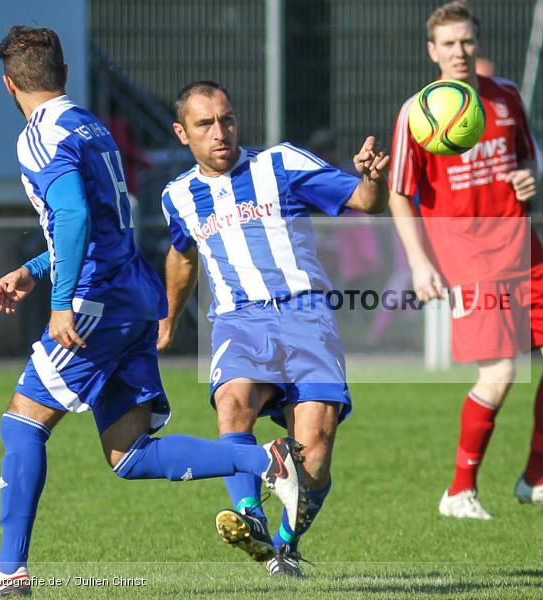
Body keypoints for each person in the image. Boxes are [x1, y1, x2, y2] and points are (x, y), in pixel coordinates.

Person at [0, 27, 305, 598]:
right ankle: (269, 459)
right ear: (61, 72)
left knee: (22, 421)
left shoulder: (38, 136)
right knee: (129, 454)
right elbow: (103, 218)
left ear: (9, 85)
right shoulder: (90, 125)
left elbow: (75, 216)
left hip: (93, 301)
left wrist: (60, 302)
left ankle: (9, 573)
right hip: (132, 293)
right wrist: (34, 270)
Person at [156, 81, 389, 576]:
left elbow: (365, 202)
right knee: (232, 402)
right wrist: (169, 317)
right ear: (182, 133)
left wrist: (372, 179)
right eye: (205, 124)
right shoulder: (177, 196)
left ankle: (284, 546)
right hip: (240, 320)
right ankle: (250, 518)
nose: (220, 131)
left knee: (315, 455)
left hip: (307, 315)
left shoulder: (279, 164)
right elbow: (181, 253)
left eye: (227, 118)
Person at [389, 1, 543, 520]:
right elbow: (398, 193)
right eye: (449, 44)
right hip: (468, 257)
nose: (460, 51)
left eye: (467, 42)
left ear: (476, 44)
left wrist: (529, 176)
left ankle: (538, 479)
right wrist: (419, 263)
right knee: (500, 374)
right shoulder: (418, 112)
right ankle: (459, 491)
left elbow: (526, 160)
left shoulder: (505, 97)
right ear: (431, 51)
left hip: (523, 248)